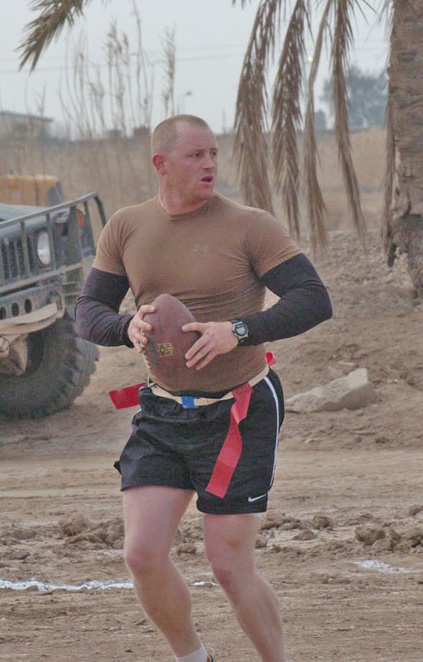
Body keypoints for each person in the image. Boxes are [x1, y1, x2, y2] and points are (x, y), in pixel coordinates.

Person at [74, 114, 332, 662]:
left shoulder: (249, 225)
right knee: (142, 554)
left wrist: (237, 330)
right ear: (161, 164)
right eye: (196, 155)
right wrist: (129, 328)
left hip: (240, 409)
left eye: (214, 153)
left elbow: (313, 298)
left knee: (228, 564)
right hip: (163, 412)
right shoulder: (126, 226)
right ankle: (194, 658)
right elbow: (88, 311)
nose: (210, 164)